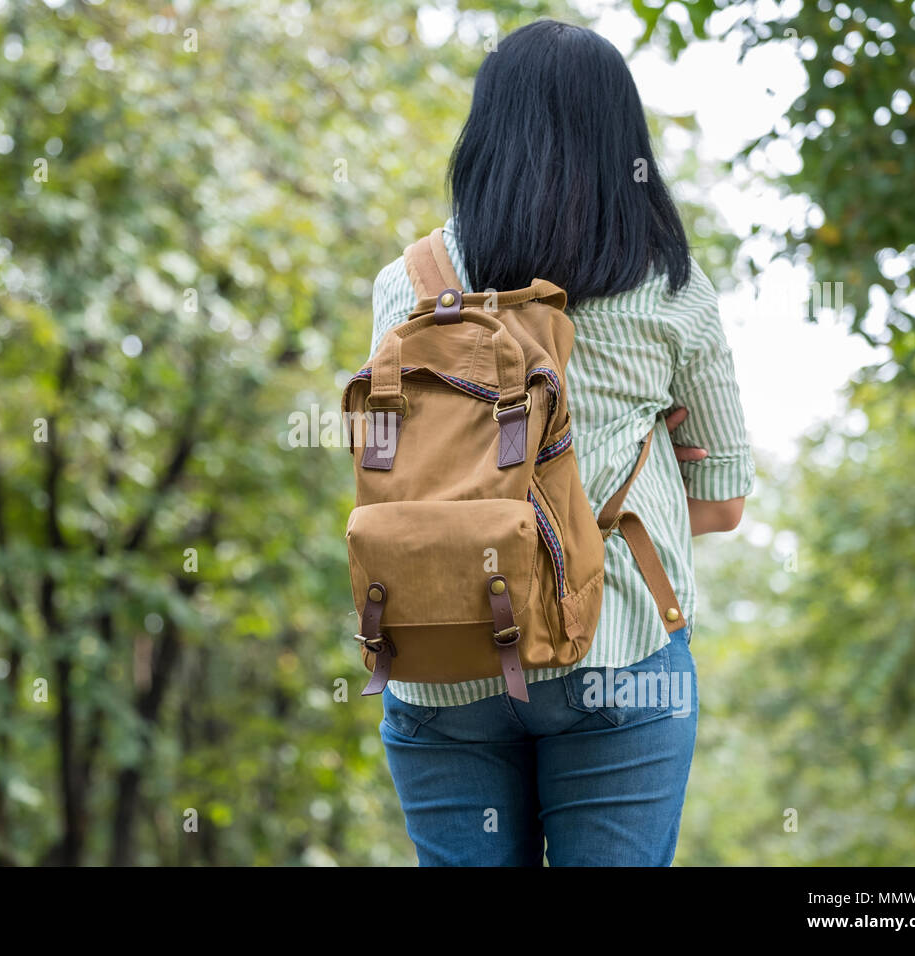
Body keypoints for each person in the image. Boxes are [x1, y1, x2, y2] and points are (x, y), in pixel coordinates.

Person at [368, 19, 755, 867]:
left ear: (485, 135)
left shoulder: (409, 283)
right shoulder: (669, 290)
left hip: (442, 648)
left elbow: (392, 465)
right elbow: (722, 504)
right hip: (617, 650)